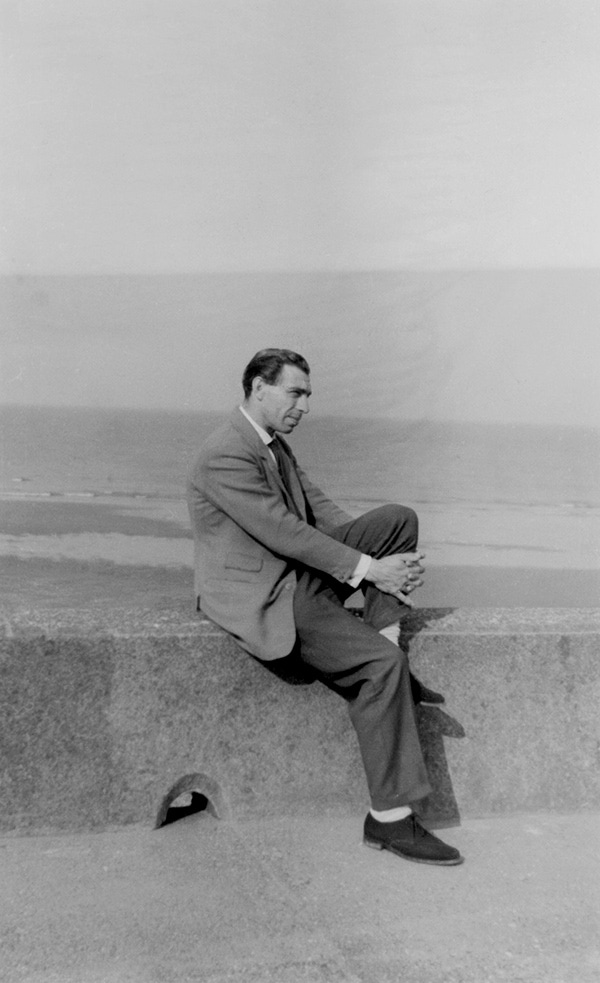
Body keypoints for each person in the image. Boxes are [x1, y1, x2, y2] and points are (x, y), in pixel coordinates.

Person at [187, 348, 463, 866]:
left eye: (307, 395)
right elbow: (282, 529)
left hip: (299, 578)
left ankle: (381, 637)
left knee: (397, 521)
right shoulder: (224, 452)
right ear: (257, 388)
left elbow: (323, 514)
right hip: (266, 593)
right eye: (296, 393)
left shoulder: (275, 446)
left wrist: (384, 558)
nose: (305, 406)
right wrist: (368, 569)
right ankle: (389, 822)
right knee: (383, 671)